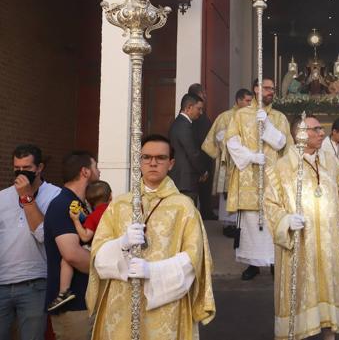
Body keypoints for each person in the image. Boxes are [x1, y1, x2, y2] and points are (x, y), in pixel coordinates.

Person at [86, 134, 215, 340]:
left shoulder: (184, 207)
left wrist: (153, 271)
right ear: (140, 161)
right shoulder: (120, 205)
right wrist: (121, 244)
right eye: (146, 157)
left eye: (160, 158)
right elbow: (97, 255)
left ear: (171, 163)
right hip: (122, 301)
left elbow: (194, 259)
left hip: (165, 304)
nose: (153, 162)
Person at [265, 115, 339, 340]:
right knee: (299, 295)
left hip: (327, 246)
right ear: (300, 134)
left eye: (320, 129)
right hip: (299, 245)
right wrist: (286, 221)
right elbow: (269, 204)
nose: (321, 133)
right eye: (315, 129)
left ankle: (329, 334)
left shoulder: (332, 162)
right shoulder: (281, 168)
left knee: (329, 292)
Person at [224, 78, 293, 280]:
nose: (271, 91)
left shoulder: (279, 117)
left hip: (273, 177)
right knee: (250, 221)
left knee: (272, 218)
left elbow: (283, 145)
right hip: (248, 176)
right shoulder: (241, 115)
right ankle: (252, 264)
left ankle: (274, 262)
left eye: (273, 88)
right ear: (256, 89)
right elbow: (231, 142)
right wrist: (251, 156)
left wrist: (268, 125)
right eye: (267, 88)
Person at [0, 145, 60, 340]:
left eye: (27, 168)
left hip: (35, 283)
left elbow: (43, 235)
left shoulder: (55, 196)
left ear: (40, 167)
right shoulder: (2, 197)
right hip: (2, 282)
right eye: (16, 169)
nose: (21, 173)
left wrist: (26, 197)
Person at [44, 151, 100, 339]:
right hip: (73, 306)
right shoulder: (62, 204)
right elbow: (71, 254)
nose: (99, 171)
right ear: (85, 172)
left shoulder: (83, 205)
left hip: (87, 301)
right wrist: (108, 268)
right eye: (95, 167)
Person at [47, 181, 111, 312]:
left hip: (98, 248)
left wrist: (76, 220)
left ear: (88, 201)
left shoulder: (95, 215)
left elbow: (85, 236)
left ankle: (64, 292)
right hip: (112, 248)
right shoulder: (114, 211)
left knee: (66, 259)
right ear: (110, 196)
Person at [202, 88, 253, 237]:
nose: (250, 104)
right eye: (247, 101)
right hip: (229, 161)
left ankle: (242, 224)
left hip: (246, 162)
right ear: (238, 100)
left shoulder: (251, 117)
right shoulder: (226, 117)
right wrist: (238, 145)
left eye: (251, 101)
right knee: (228, 190)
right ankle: (228, 225)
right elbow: (219, 138)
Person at [168, 93, 208, 205]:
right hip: (185, 180)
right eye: (198, 109)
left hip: (183, 179)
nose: (200, 113)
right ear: (189, 107)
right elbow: (192, 153)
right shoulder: (183, 125)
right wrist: (203, 171)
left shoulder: (181, 123)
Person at [188, 83, 216, 220]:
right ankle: (201, 213)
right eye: (202, 94)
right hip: (200, 155)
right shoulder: (195, 116)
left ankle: (206, 211)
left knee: (205, 188)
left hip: (205, 155)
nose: (205, 96)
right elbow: (199, 138)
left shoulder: (201, 114)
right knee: (198, 188)